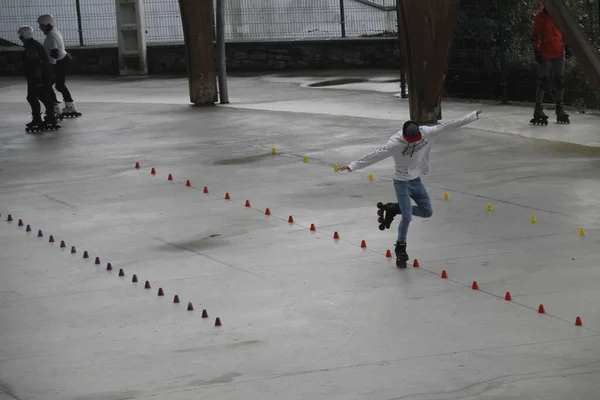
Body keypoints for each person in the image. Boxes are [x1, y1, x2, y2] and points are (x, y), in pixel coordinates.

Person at [339, 110, 482, 268]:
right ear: (405, 136)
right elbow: (376, 155)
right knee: (407, 217)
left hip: (416, 180)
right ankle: (400, 248)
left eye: (416, 140)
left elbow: (450, 125)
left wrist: (472, 116)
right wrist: (353, 165)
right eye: (410, 140)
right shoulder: (394, 143)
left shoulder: (427, 132)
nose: (414, 142)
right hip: (401, 182)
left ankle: (393, 208)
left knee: (427, 211)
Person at [531, 2, 571, 124]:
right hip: (546, 51)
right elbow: (534, 36)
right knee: (543, 81)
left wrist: (568, 46)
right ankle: (538, 109)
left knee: (560, 81)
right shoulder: (540, 17)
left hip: (559, 50)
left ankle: (560, 109)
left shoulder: (559, 16)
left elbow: (565, 33)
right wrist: (536, 50)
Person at [37, 14, 81, 118]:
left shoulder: (51, 36)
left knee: (47, 85)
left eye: (41, 25)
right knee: (58, 85)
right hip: (63, 60)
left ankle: (55, 107)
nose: (40, 27)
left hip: (59, 62)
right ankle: (70, 106)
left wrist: (50, 68)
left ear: (47, 24)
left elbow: (54, 53)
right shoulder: (53, 32)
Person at [18, 25, 60, 132]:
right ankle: (51, 118)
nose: (20, 38)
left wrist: (37, 81)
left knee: (32, 97)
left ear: (25, 35)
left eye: (21, 36)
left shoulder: (31, 47)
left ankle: (38, 119)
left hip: (39, 77)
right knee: (43, 96)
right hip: (45, 75)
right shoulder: (33, 44)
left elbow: (37, 64)